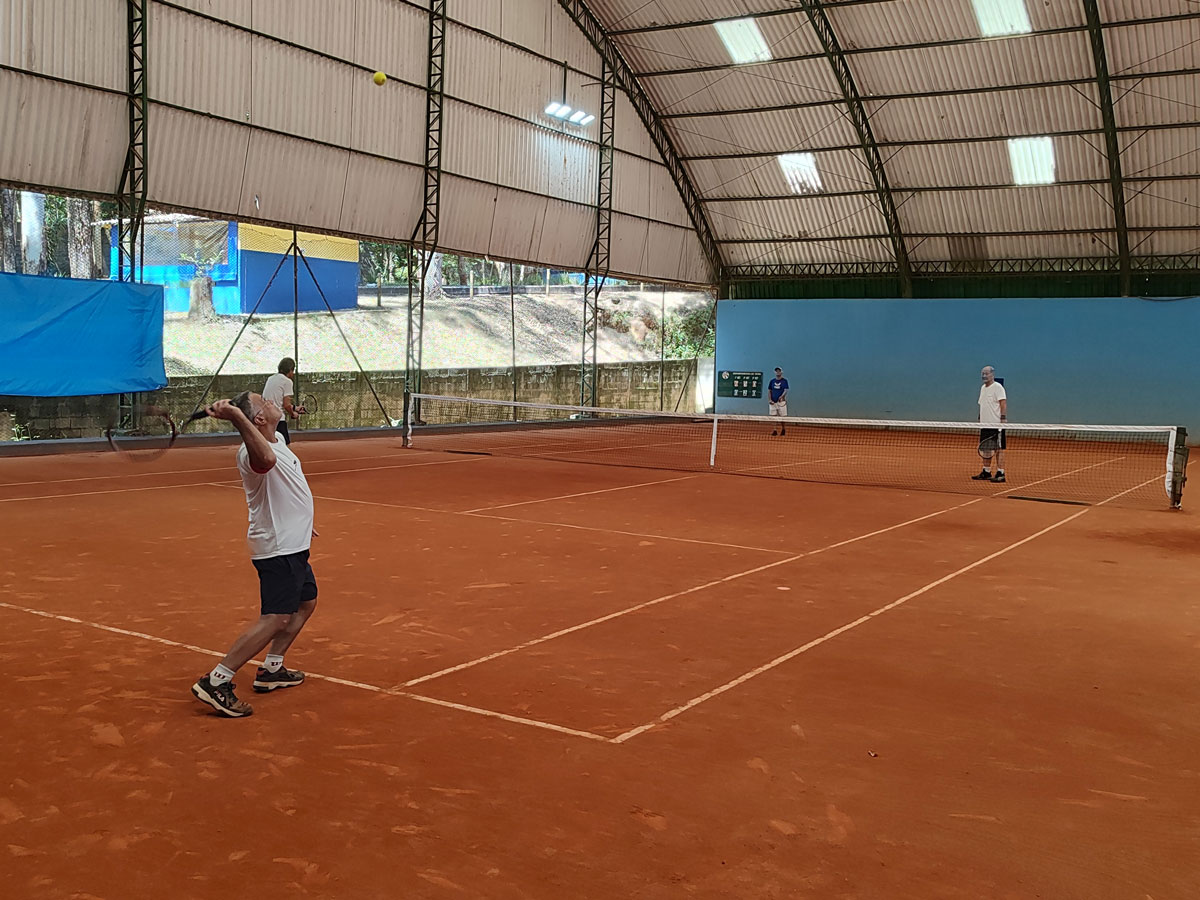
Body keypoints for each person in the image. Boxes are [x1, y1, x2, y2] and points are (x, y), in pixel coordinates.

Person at [191, 391, 319, 718]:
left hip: (294, 543)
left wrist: (304, 520)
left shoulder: (278, 440)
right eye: (264, 401)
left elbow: (286, 485)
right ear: (259, 418)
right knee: (277, 617)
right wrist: (237, 417)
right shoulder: (252, 453)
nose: (271, 401)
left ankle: (271, 669)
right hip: (278, 548)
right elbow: (266, 461)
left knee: (306, 602)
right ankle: (217, 680)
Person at [972, 365, 1008, 483]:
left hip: (996, 425)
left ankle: (1001, 473)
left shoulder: (998, 387)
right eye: (982, 373)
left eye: (986, 373)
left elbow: (1003, 403)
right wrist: (980, 418)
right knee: (986, 448)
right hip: (984, 424)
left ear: (992, 374)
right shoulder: (983, 388)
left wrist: (1003, 418)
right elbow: (982, 404)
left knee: (998, 449)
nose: (984, 376)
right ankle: (986, 471)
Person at [263, 357, 306, 445]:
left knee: (269, 445)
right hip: (277, 419)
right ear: (290, 370)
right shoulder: (287, 381)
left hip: (265, 418)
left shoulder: (270, 378)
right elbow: (286, 405)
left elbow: (277, 400)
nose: (293, 373)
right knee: (285, 446)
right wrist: (293, 414)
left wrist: (295, 408)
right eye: (293, 371)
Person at [768, 366, 789, 436]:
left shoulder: (784, 381)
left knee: (782, 417)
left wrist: (782, 397)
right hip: (773, 402)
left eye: (779, 371)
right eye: (776, 371)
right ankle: (775, 430)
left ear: (781, 372)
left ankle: (783, 429)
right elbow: (769, 391)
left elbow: (785, 390)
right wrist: (770, 399)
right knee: (773, 417)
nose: (777, 372)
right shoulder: (772, 381)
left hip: (781, 402)